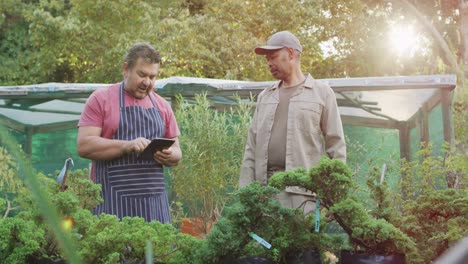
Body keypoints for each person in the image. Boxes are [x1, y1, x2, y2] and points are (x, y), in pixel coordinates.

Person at [239, 31, 346, 213]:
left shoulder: (322, 93)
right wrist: (245, 194)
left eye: (273, 57)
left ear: (290, 54)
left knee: (304, 242)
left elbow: (336, 148)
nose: (269, 63)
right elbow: (251, 148)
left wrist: (336, 200)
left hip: (305, 195)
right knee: (266, 242)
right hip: (265, 193)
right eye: (267, 59)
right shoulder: (265, 96)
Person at [77, 43, 182, 223]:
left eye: (152, 76)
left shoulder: (163, 106)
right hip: (111, 206)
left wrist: (169, 155)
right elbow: (84, 145)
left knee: (158, 251)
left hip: (154, 208)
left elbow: (177, 152)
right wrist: (127, 145)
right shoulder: (101, 99)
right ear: (126, 69)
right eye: (142, 74)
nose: (147, 82)